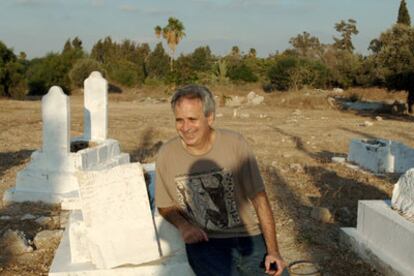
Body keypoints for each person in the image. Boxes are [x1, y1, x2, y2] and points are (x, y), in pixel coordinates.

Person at [155, 84, 287, 276]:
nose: (185, 128)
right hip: (206, 243)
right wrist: (184, 226)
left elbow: (260, 200)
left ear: (210, 117)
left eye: (192, 119)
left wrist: (273, 252)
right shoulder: (167, 154)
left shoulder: (235, 144)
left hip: (248, 236)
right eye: (179, 120)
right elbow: (164, 205)